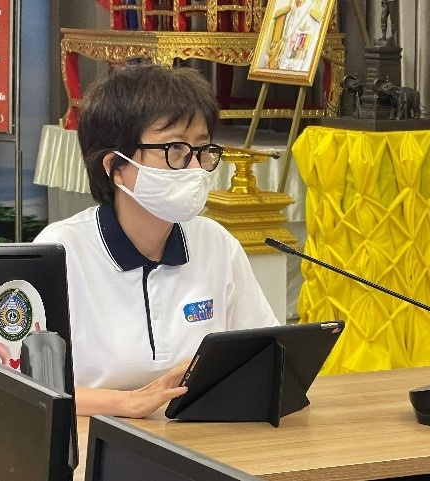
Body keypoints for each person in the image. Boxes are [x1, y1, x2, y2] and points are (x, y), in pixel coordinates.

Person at [33, 63, 280, 418]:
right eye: (174, 149)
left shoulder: (215, 243)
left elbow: (265, 355)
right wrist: (126, 403)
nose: (196, 168)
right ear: (114, 166)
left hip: (198, 437)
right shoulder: (61, 251)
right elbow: (18, 383)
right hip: (90, 435)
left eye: (202, 149)